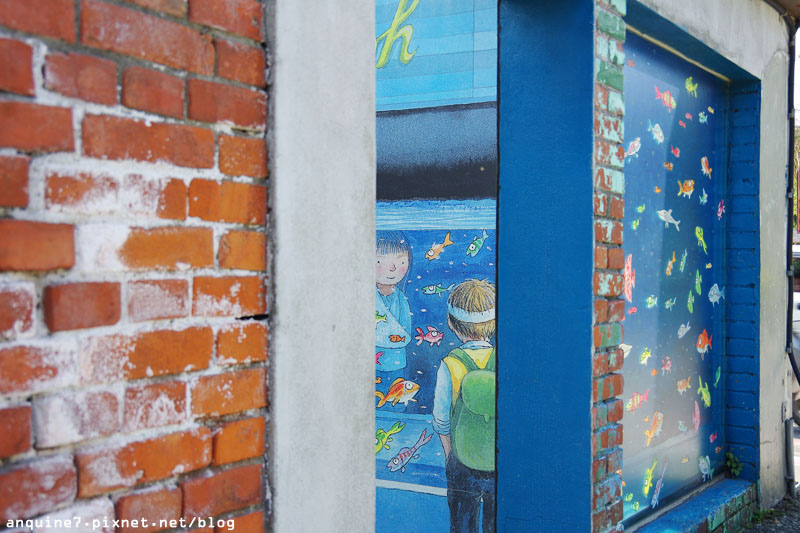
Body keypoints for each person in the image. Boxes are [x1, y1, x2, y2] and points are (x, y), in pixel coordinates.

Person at [432, 279, 496, 533]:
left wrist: (450, 455)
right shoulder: (502, 360)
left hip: (462, 461)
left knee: (462, 523)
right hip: (496, 460)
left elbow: (441, 419)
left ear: (451, 323)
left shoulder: (451, 364)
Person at [375, 231, 413, 410]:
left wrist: (397, 337)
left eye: (401, 262)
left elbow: (406, 332)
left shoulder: (401, 298)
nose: (392, 269)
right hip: (372, 359)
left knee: (395, 401)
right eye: (380, 262)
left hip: (396, 361)